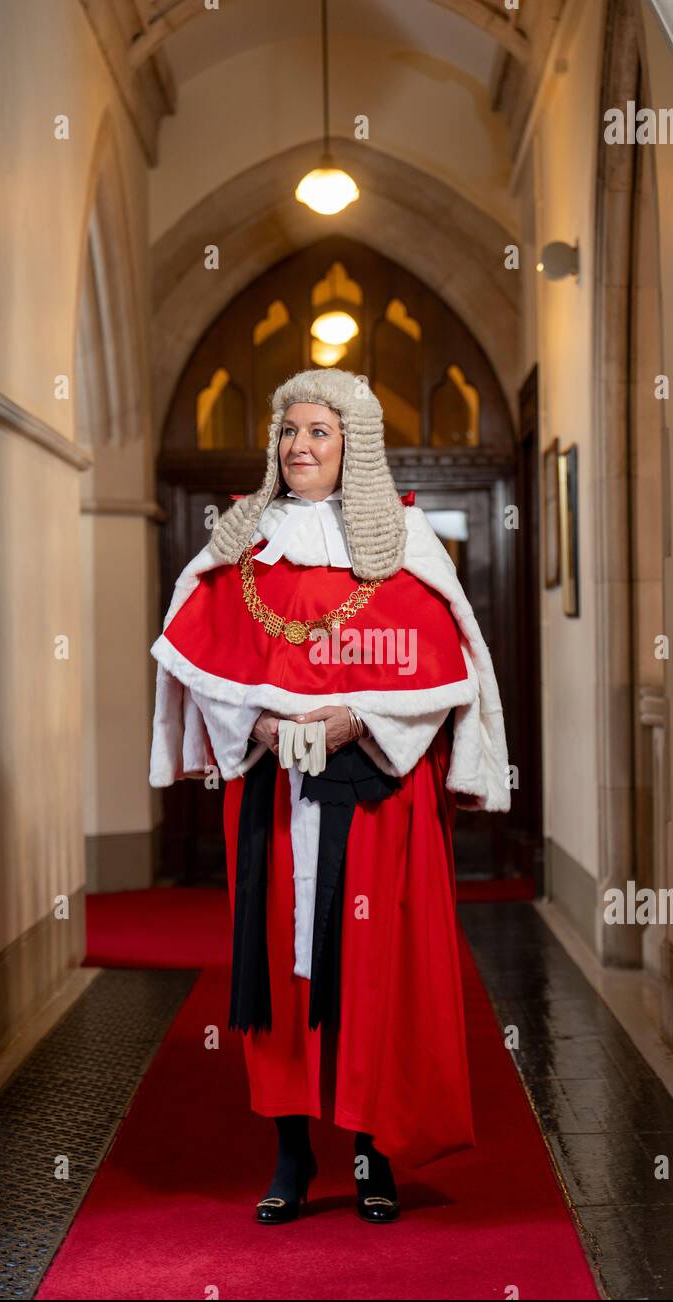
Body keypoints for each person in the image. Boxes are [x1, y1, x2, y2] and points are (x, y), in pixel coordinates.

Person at [149, 368, 510, 1224]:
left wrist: (360, 713)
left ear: (355, 444)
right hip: (274, 793)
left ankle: (372, 1151)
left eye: (319, 431)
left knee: (372, 971)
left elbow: (444, 669)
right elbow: (197, 658)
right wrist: (258, 721)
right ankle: (290, 1155)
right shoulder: (242, 545)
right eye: (289, 432)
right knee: (275, 966)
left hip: (377, 792)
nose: (300, 447)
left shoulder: (405, 541)